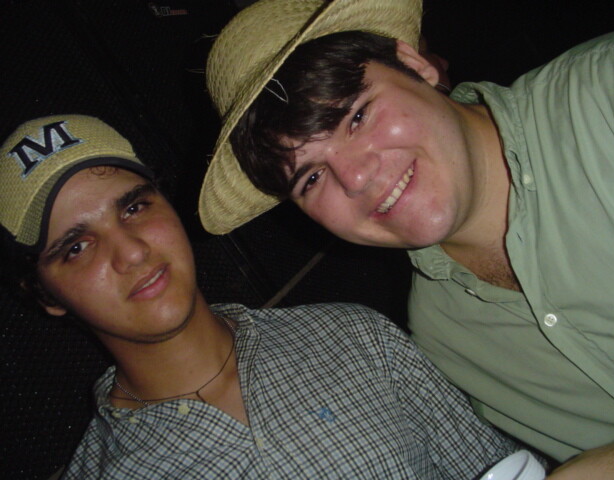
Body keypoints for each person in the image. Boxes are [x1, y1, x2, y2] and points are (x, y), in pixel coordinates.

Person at [197, 0, 614, 477]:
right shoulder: (443, 339)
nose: (355, 178)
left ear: (416, 65)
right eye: (311, 178)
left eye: (356, 117)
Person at [0, 114, 525, 479]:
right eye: (77, 247)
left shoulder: (353, 338)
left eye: (134, 208)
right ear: (44, 294)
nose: (132, 252)